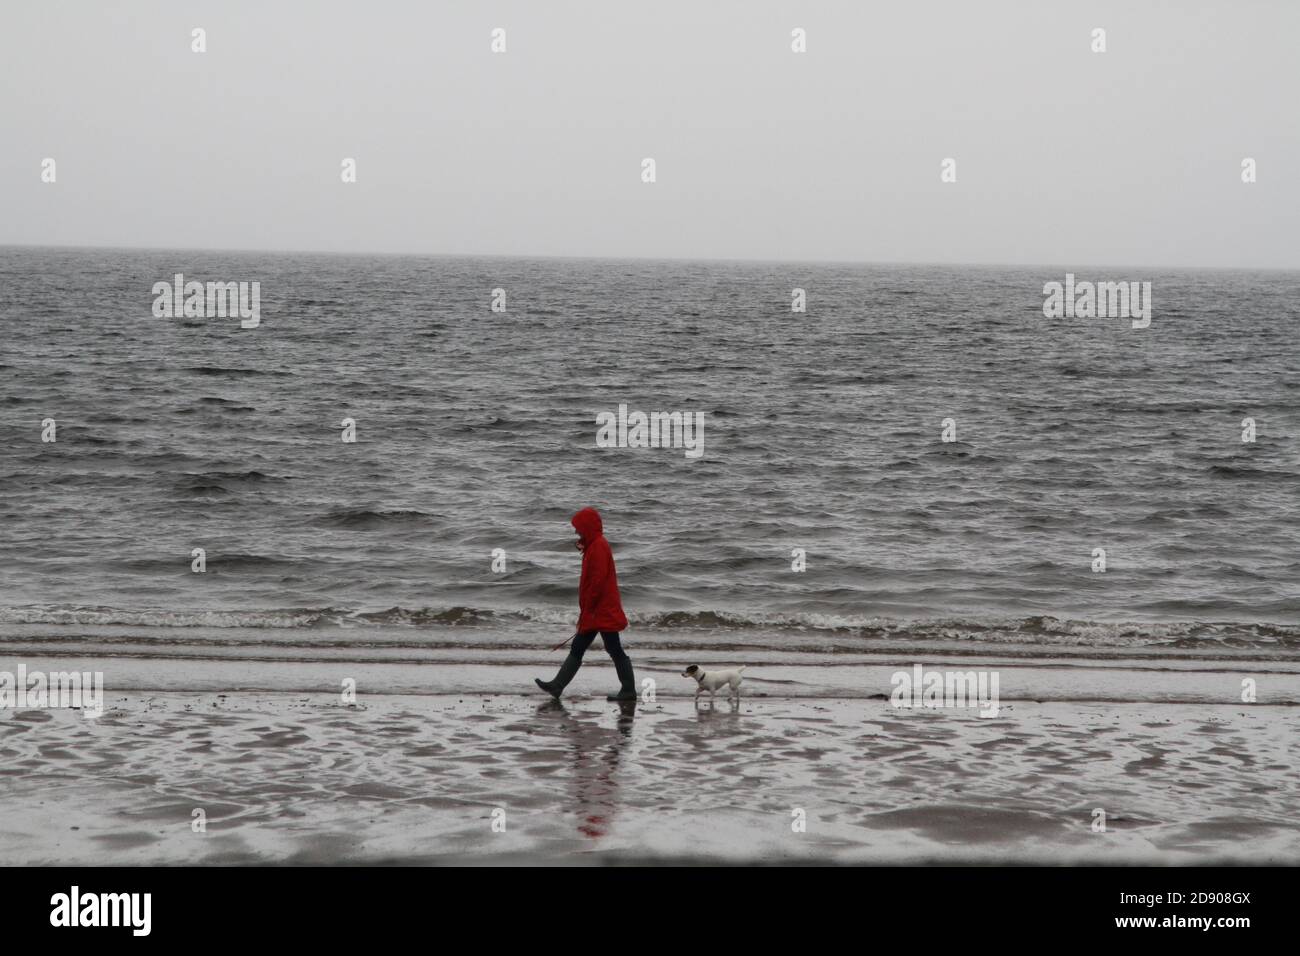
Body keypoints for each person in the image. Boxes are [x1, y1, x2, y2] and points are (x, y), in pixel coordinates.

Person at [536, 507, 636, 701]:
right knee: (581, 646)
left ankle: (629, 691)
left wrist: (588, 610)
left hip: (600, 610)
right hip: (597, 610)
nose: (576, 532)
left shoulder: (598, 546)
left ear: (587, 527)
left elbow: (597, 582)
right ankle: (557, 686)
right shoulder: (594, 544)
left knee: (612, 648)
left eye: (578, 528)